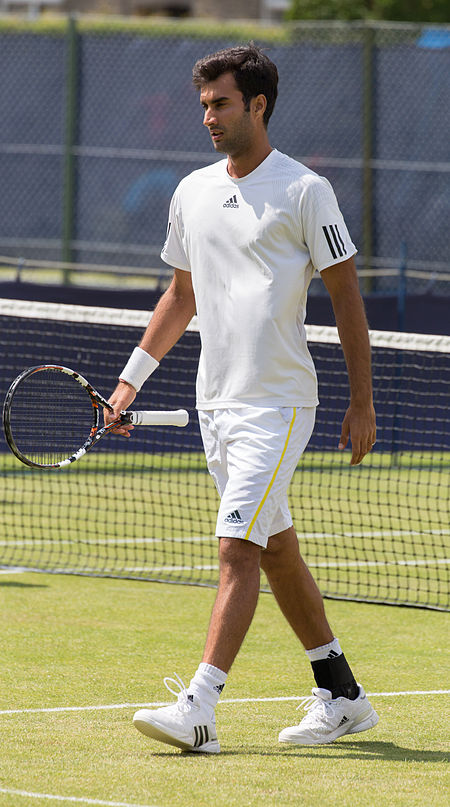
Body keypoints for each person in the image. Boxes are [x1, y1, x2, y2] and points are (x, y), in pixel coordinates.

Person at [106, 43, 379, 753]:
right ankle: (342, 693)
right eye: (203, 105)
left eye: (221, 103)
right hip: (215, 406)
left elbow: (347, 294)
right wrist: (132, 377)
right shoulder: (192, 192)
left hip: (280, 405)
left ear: (258, 105)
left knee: (237, 548)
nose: (209, 116)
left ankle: (200, 706)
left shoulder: (305, 190)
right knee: (277, 550)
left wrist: (363, 401)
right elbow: (180, 296)